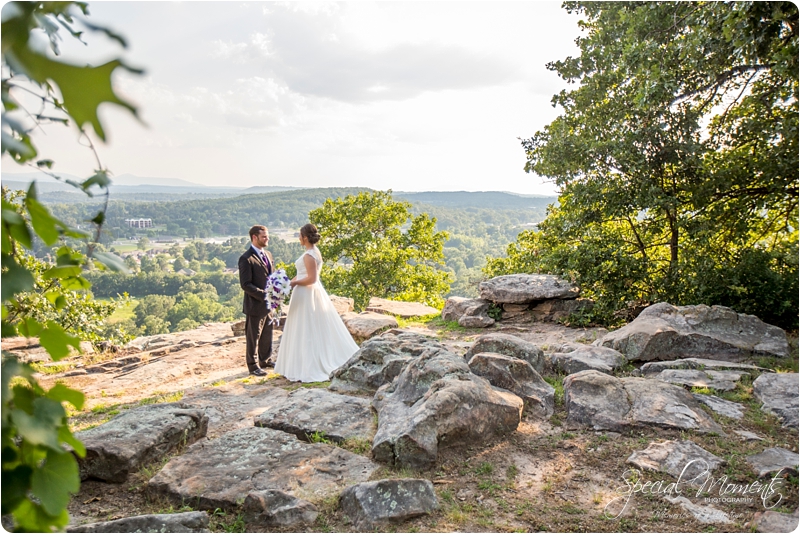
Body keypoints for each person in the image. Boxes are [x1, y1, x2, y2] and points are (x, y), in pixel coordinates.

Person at [275, 223, 359, 382]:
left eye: (300, 236)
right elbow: (302, 274)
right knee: (304, 327)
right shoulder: (313, 252)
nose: (299, 238)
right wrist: (286, 282)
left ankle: (308, 366)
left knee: (307, 328)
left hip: (307, 293)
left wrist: (293, 284)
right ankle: (299, 364)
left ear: (305, 237)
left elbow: (311, 279)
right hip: (306, 292)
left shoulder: (309, 255)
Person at [238, 225, 275, 376]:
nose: (267, 239)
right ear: (255, 237)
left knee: (267, 333)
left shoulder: (269, 255)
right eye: (264, 237)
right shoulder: (246, 258)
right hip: (255, 304)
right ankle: (252, 366)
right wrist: (264, 294)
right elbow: (245, 285)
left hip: (269, 304)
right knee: (253, 336)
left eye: (267, 236)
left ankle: (265, 360)